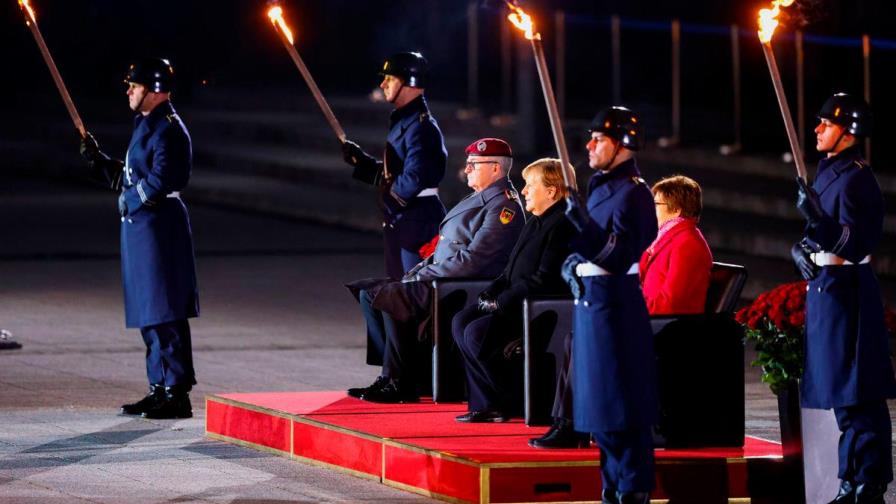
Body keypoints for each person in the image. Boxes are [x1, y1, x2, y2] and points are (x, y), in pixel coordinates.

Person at [347, 138, 524, 404]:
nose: (467, 169)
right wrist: (417, 271)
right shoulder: (479, 197)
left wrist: (423, 276)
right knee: (368, 291)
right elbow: (444, 248)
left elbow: (474, 261)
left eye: (474, 164)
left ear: (496, 169)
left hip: (462, 285)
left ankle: (399, 382)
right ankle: (391, 374)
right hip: (442, 277)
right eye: (468, 163)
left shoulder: (503, 206)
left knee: (390, 296)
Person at [80, 57, 199, 420]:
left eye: (134, 86)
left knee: (165, 309)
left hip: (160, 228)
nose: (129, 91)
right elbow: (134, 174)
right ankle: (158, 387)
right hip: (142, 228)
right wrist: (101, 163)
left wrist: (129, 199)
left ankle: (176, 392)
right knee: (149, 311)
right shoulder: (147, 124)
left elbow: (162, 179)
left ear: (154, 90)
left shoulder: (169, 129)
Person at [791, 93, 895, 504]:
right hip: (827, 290)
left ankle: (868, 482)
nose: (817, 128)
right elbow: (815, 235)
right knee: (841, 396)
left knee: (858, 393)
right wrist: (800, 248)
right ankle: (850, 480)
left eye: (826, 123)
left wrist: (818, 220)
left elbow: (857, 242)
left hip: (849, 291)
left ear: (848, 132)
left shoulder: (857, 178)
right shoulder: (828, 172)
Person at [560, 106, 658, 504]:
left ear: (622, 144)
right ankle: (611, 485)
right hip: (592, 302)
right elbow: (592, 246)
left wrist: (582, 228)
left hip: (616, 305)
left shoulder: (636, 193)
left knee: (621, 405)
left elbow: (620, 256)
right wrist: (572, 260)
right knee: (600, 407)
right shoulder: (601, 186)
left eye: (598, 139)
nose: (589, 146)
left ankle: (632, 487)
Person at [451, 158, 575, 423]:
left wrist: (502, 301)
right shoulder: (535, 221)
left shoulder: (563, 224)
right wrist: (491, 290)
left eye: (530, 185)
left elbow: (544, 279)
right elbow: (511, 268)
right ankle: (486, 402)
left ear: (551, 191)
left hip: (538, 309)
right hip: (514, 302)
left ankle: (512, 399)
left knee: (477, 333)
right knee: (461, 320)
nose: (524, 191)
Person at [341, 51, 447, 280]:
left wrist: (388, 193)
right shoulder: (406, 121)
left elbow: (414, 179)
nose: (383, 84)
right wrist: (364, 163)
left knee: (411, 291)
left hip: (416, 221)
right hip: (404, 220)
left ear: (409, 82)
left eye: (390, 78)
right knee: (399, 289)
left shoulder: (422, 127)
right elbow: (397, 173)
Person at [639, 175, 713, 315]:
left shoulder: (688, 244)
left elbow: (670, 305)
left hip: (665, 324)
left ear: (676, 210)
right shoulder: (661, 238)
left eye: (656, 204)